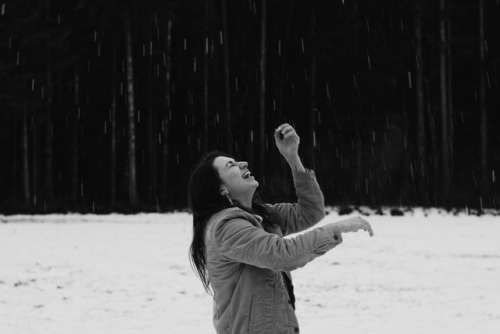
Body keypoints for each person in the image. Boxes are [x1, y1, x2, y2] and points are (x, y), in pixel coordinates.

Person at [188, 123, 373, 334]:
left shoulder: (263, 216)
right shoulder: (226, 227)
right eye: (231, 165)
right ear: (221, 189)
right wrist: (338, 227)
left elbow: (310, 211)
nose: (243, 163)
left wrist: (293, 158)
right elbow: (284, 255)